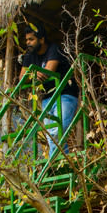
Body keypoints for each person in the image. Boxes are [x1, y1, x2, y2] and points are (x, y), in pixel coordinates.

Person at [20, 24, 79, 156]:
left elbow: (48, 72)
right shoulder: (29, 55)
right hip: (47, 98)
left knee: (58, 131)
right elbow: (22, 78)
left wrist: (33, 74)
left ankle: (55, 165)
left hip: (65, 95)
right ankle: (62, 163)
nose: (28, 43)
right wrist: (34, 74)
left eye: (31, 39)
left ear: (41, 39)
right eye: (27, 40)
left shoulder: (53, 49)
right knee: (50, 135)